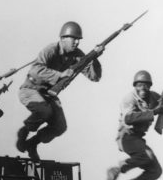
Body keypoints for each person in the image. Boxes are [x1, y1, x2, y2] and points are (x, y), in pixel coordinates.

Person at [16, 21, 103, 160]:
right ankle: (24, 131)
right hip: (31, 89)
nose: (76, 43)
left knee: (60, 126)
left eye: (78, 39)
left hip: (48, 94)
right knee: (44, 111)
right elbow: (36, 69)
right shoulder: (51, 50)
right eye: (73, 38)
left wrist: (95, 59)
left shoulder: (78, 55)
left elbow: (94, 77)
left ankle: (32, 143)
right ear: (63, 38)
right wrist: (60, 75)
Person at [106, 70, 163, 180]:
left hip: (138, 138)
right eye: (139, 85)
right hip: (126, 136)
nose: (143, 88)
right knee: (147, 155)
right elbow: (128, 118)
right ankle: (118, 169)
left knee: (156, 171)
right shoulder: (129, 99)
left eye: (146, 85)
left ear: (150, 86)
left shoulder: (153, 97)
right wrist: (153, 112)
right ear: (135, 86)